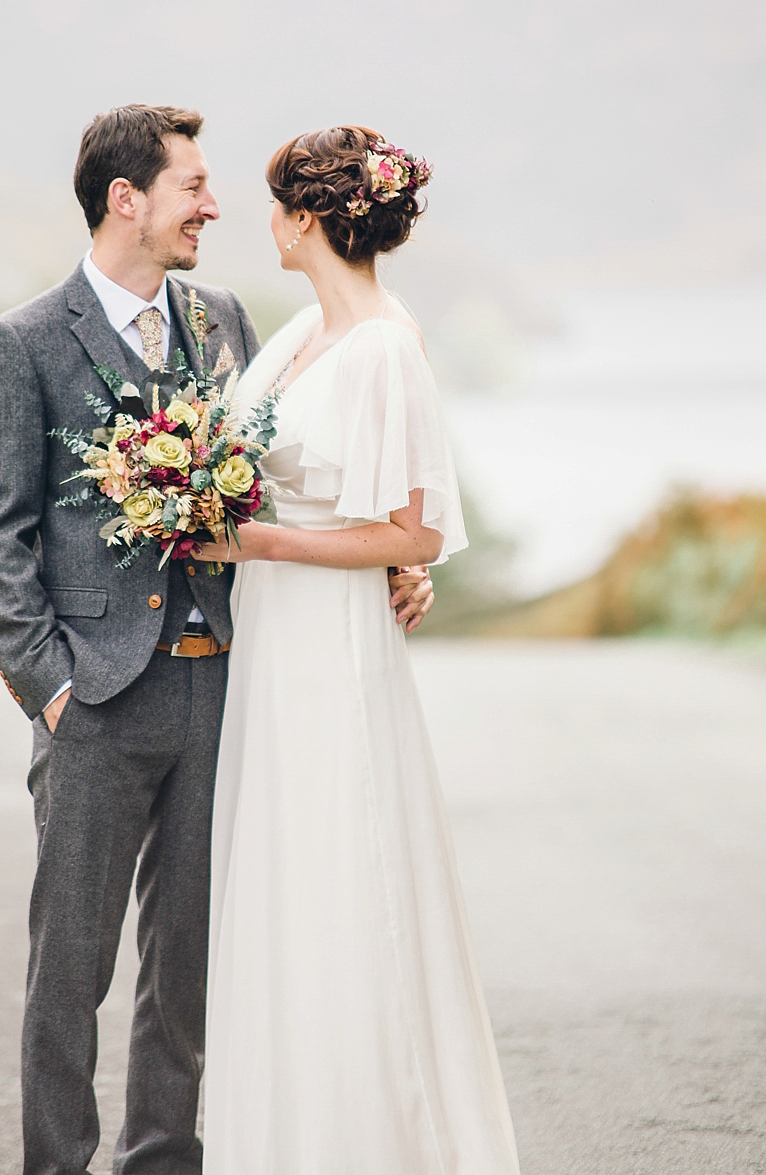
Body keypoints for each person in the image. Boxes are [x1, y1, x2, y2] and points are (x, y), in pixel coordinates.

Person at [0, 104, 436, 1175]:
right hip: (95, 700)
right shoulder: (25, 341)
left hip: (223, 690)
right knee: (69, 970)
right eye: (193, 187)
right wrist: (48, 688)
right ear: (126, 199)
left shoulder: (221, 317)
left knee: (188, 976)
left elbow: (283, 470)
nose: (213, 206)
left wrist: (398, 558)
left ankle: (163, 1163)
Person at [195, 125, 520, 1174]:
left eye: (276, 205)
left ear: (308, 217)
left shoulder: (386, 341)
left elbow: (412, 531)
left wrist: (260, 540)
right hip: (273, 642)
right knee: (284, 883)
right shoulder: (299, 336)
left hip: (331, 646)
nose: (269, 224)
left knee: (346, 874)